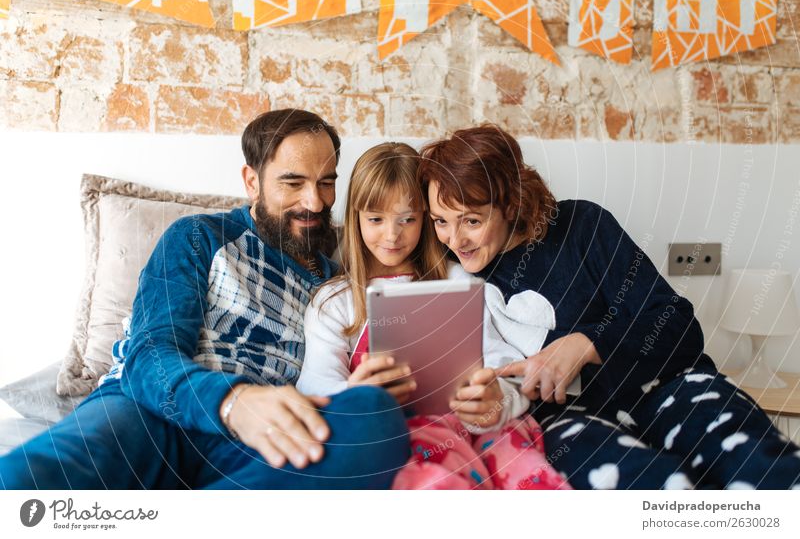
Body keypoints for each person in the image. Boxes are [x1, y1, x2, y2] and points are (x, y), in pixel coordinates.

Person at [0, 109, 410, 490]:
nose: (315, 202)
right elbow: (149, 356)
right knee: (27, 478)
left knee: (373, 417)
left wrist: (349, 393)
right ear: (252, 181)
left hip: (258, 441)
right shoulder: (198, 236)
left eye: (326, 182)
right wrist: (234, 402)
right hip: (149, 414)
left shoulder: (338, 283)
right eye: (293, 183)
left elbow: (326, 381)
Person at [417, 124, 800, 490]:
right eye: (441, 221)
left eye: (471, 220)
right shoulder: (458, 281)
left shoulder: (582, 225)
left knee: (760, 467)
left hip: (668, 387)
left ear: (510, 204)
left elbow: (680, 328)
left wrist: (585, 344)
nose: (456, 239)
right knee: (652, 487)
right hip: (571, 421)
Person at [297, 142, 570, 490]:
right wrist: (357, 394)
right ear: (355, 218)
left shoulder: (458, 282)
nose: (392, 235)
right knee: (428, 471)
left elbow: (505, 363)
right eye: (376, 219)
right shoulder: (334, 301)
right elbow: (314, 385)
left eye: (407, 219)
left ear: (426, 218)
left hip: (471, 423)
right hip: (399, 431)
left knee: (520, 464)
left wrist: (494, 396)